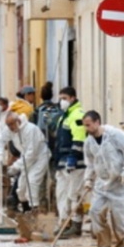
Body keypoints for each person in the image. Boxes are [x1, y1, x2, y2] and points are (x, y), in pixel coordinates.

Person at [82, 111, 124, 247]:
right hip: (102, 184)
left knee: (119, 216)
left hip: (119, 182)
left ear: (97, 122)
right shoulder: (89, 142)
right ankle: (103, 245)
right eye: (85, 126)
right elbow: (90, 163)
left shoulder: (114, 135)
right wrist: (88, 180)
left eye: (88, 125)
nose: (86, 128)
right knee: (95, 211)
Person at [53, 87, 88, 238]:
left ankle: (76, 225)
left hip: (75, 162)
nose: (62, 101)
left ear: (73, 98)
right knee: (61, 194)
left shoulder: (77, 115)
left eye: (65, 98)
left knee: (73, 194)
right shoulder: (64, 116)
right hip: (62, 161)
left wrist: (73, 156)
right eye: (61, 98)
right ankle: (64, 223)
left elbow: (79, 137)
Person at [5, 112, 50, 213]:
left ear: (18, 121)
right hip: (26, 159)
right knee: (21, 187)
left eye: (11, 124)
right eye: (8, 126)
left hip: (39, 157)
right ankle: (26, 209)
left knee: (32, 181)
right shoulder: (15, 132)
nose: (10, 128)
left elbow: (31, 152)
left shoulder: (31, 129)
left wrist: (15, 166)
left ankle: (34, 209)